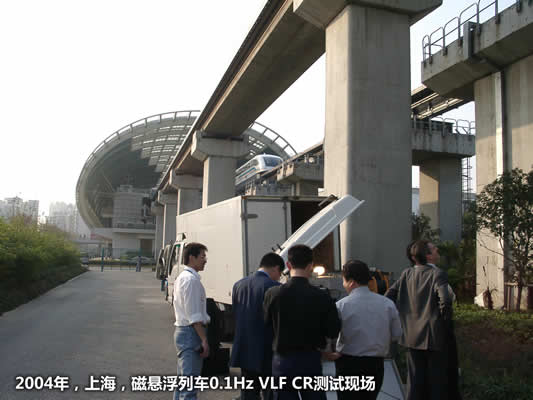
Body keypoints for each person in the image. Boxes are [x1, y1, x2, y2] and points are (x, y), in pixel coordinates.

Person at [263, 244, 341, 400]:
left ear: (288, 265)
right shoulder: (322, 296)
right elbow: (333, 330)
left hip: (282, 360)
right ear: (311, 265)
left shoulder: (273, 293)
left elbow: (267, 323)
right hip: (310, 359)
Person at [385, 240, 452, 400]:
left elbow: (388, 297)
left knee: (414, 380)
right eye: (433, 249)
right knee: (436, 381)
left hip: (410, 335)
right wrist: (445, 321)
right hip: (433, 335)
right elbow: (446, 300)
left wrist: (401, 317)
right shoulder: (437, 274)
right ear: (427, 255)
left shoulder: (406, 274)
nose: (437, 250)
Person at [328, 260, 402, 400]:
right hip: (375, 364)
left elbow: (331, 332)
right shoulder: (387, 304)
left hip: (347, 363)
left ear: (351, 282)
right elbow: (397, 334)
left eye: (344, 280)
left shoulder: (341, 306)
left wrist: (328, 352)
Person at [230, 252, 284, 400]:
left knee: (248, 393)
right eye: (280, 273)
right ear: (276, 268)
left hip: (244, 349)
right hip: (267, 350)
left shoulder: (238, 285)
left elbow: (236, 314)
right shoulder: (275, 287)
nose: (279, 277)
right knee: (270, 392)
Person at [173, 242, 210, 400]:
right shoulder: (191, 280)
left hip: (185, 332)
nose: (205, 260)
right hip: (190, 334)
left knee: (183, 384)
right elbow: (194, 316)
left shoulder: (184, 278)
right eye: (202, 256)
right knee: (189, 388)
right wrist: (204, 340)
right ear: (191, 258)